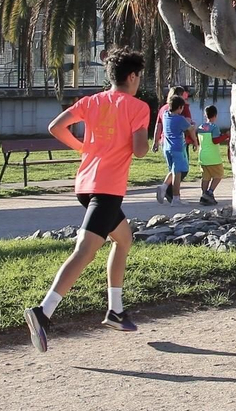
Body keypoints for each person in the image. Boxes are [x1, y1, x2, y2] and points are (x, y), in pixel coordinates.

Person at [25, 50, 152, 351]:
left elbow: (56, 127)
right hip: (107, 188)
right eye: (139, 77)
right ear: (132, 77)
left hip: (85, 184)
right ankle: (43, 312)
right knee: (85, 250)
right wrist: (146, 137)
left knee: (123, 239)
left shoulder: (92, 101)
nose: (138, 82)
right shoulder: (138, 107)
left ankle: (116, 310)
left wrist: (83, 147)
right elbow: (140, 150)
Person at [157, 89, 196, 204]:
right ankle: (176, 197)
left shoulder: (165, 115)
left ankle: (164, 187)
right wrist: (194, 128)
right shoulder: (180, 119)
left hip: (167, 147)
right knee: (177, 173)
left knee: (173, 170)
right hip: (178, 148)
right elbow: (190, 129)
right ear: (179, 107)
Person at [196, 104, 228, 205]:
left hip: (202, 155)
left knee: (205, 177)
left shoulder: (201, 127)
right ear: (215, 115)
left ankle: (203, 195)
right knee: (219, 175)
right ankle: (209, 192)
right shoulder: (214, 127)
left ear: (205, 115)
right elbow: (215, 140)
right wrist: (226, 136)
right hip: (213, 157)